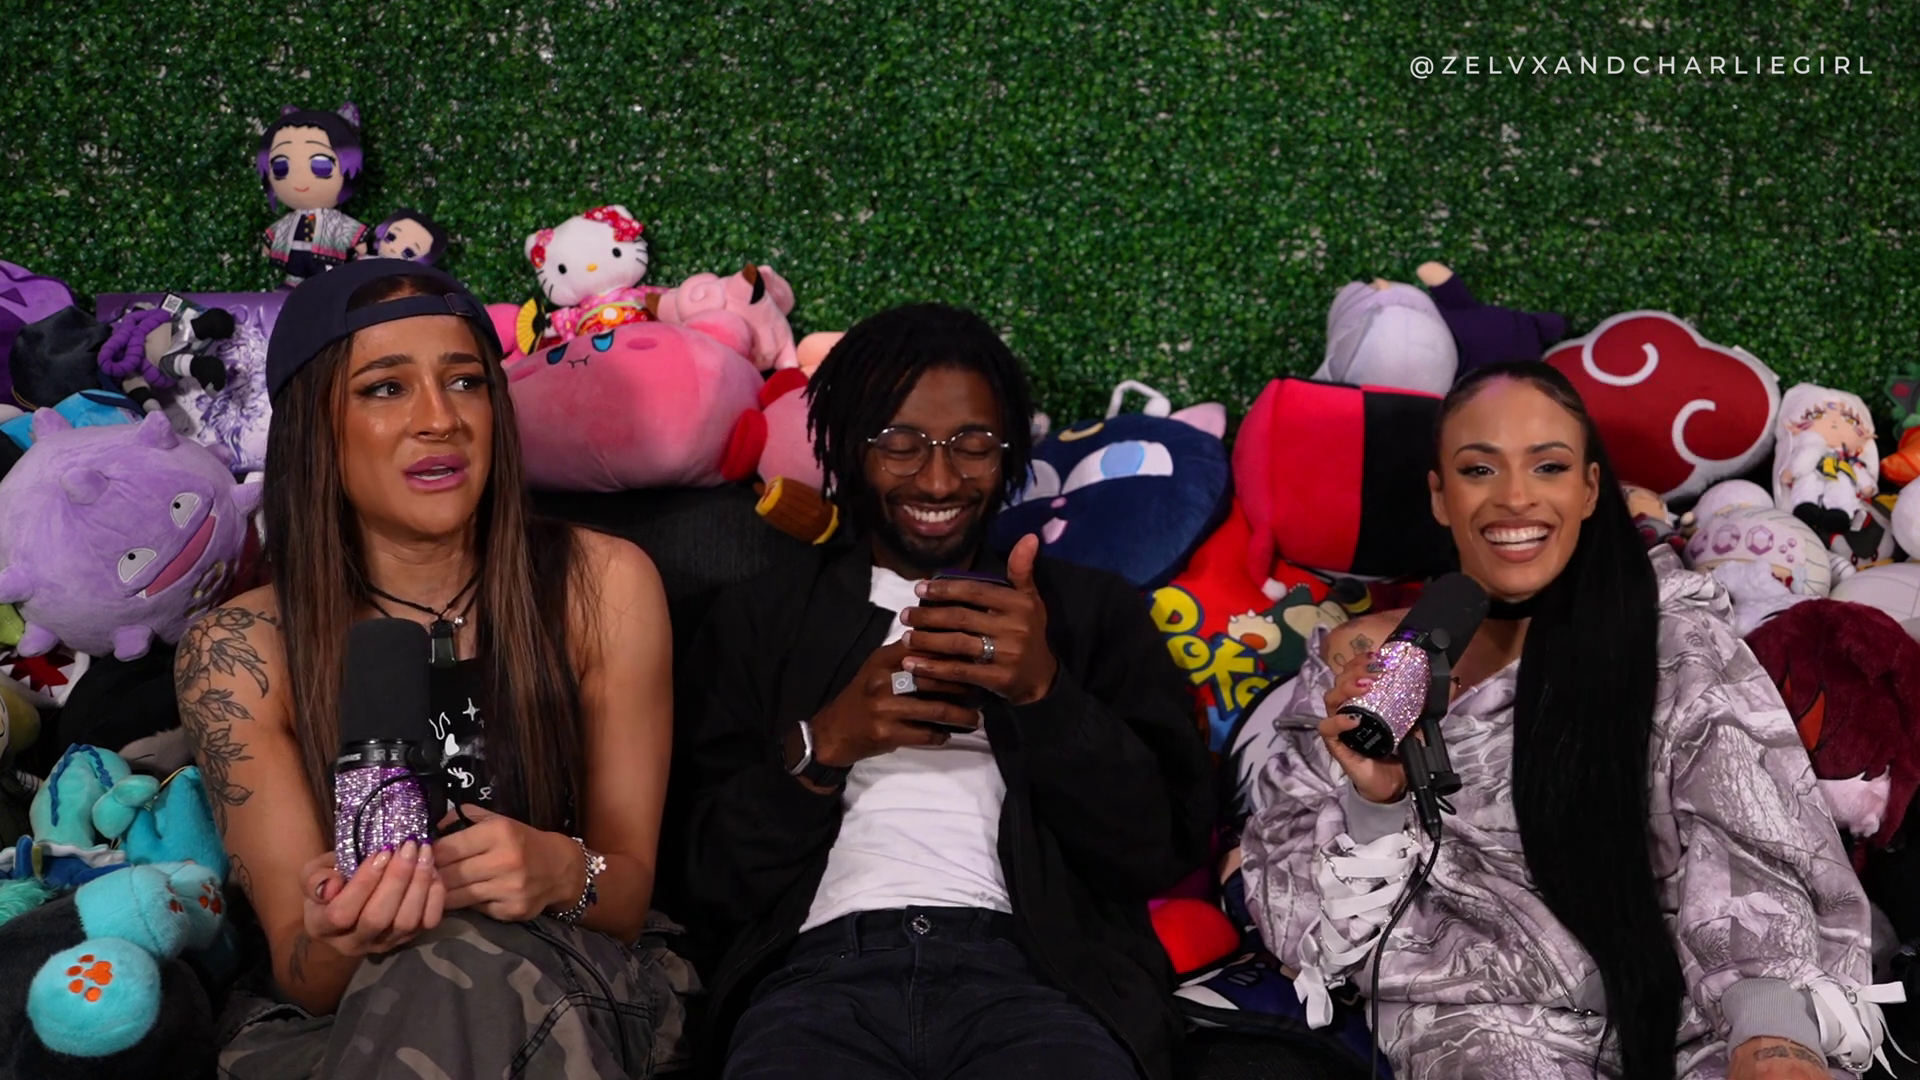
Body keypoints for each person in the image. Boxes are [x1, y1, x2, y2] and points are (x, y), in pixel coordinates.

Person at [1237, 361, 1895, 1079]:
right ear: (1440, 495)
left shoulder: (1673, 637)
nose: (1515, 496)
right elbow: (1291, 908)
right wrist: (1377, 804)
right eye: (1479, 469)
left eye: (1547, 466)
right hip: (1478, 1024)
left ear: (1587, 489)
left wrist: (1772, 1042)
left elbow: (1747, 832)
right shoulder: (1361, 663)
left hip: (1698, 1009)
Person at [679, 303, 1212, 1080]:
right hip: (817, 981)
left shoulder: (1089, 612)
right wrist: (821, 748)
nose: (938, 479)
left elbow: (1158, 849)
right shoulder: (759, 619)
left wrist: (1047, 696)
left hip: (1037, 980)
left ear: (1009, 449)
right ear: (848, 446)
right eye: (899, 444)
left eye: (973, 445)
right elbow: (698, 882)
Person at [176, 258, 678, 1078]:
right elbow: (306, 973)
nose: (440, 419)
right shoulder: (239, 651)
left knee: (464, 959)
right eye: (385, 387)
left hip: (573, 978)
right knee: (433, 967)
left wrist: (560, 871)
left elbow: (625, 898)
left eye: (466, 382)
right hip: (352, 1020)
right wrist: (344, 930)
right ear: (313, 426)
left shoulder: (604, 583)